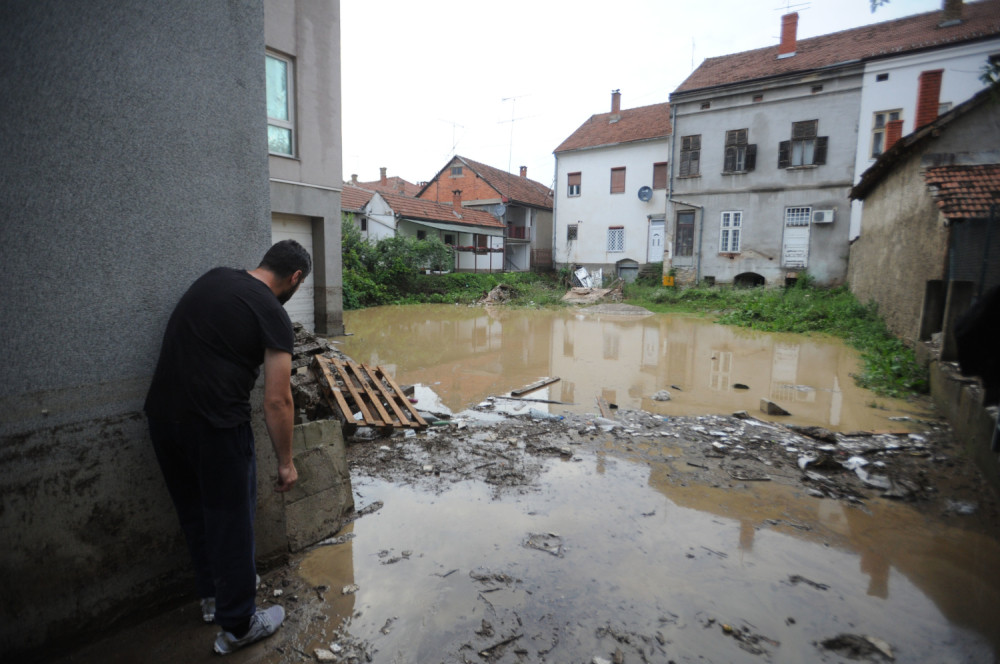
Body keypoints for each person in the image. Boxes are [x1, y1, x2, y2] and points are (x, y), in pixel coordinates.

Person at [144, 239, 310, 654]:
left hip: (163, 420)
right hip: (216, 428)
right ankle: (238, 626)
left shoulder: (215, 279)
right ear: (295, 278)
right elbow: (277, 399)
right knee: (231, 525)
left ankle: (213, 599)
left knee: (196, 515)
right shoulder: (273, 313)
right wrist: (286, 463)